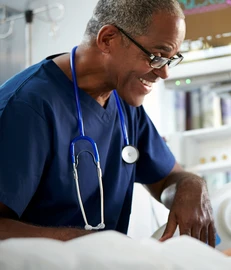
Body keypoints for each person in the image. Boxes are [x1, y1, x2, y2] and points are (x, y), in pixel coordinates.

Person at [0, 0, 216, 246]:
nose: (165, 73)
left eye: (171, 59)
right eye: (156, 57)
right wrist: (82, 243)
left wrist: (191, 186)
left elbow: (170, 179)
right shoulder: (27, 108)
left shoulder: (123, 102)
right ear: (108, 39)